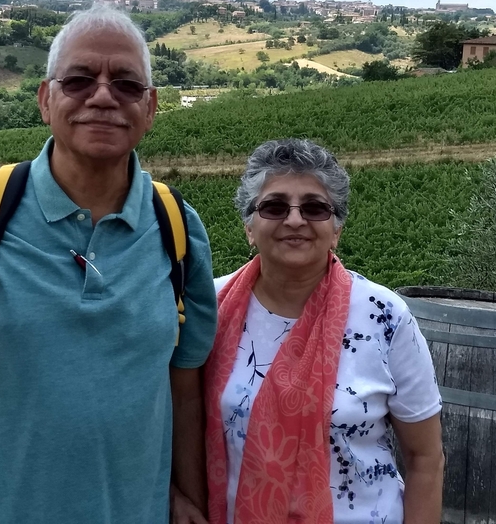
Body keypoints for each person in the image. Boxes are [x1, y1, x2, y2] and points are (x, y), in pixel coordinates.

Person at [0, 3, 218, 524]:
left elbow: (185, 392)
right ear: (46, 99)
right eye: (80, 79)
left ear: (150, 107)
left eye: (127, 84)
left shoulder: (178, 229)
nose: (103, 96)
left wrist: (189, 500)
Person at [184, 138, 444, 524]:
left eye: (314, 207)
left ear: (336, 229)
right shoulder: (210, 307)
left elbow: (426, 459)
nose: (294, 220)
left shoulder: (385, 316)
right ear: (249, 228)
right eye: (274, 206)